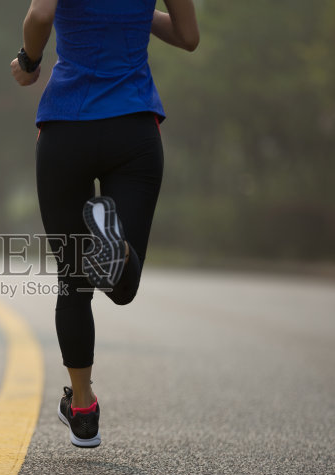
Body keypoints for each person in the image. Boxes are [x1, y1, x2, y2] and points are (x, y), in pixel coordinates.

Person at [11, 0, 199, 448]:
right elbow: (188, 37)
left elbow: (41, 16)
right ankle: (114, 245)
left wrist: (29, 61)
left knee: (73, 280)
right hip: (133, 130)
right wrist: (132, 14)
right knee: (122, 286)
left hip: (66, 127)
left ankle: (82, 409)